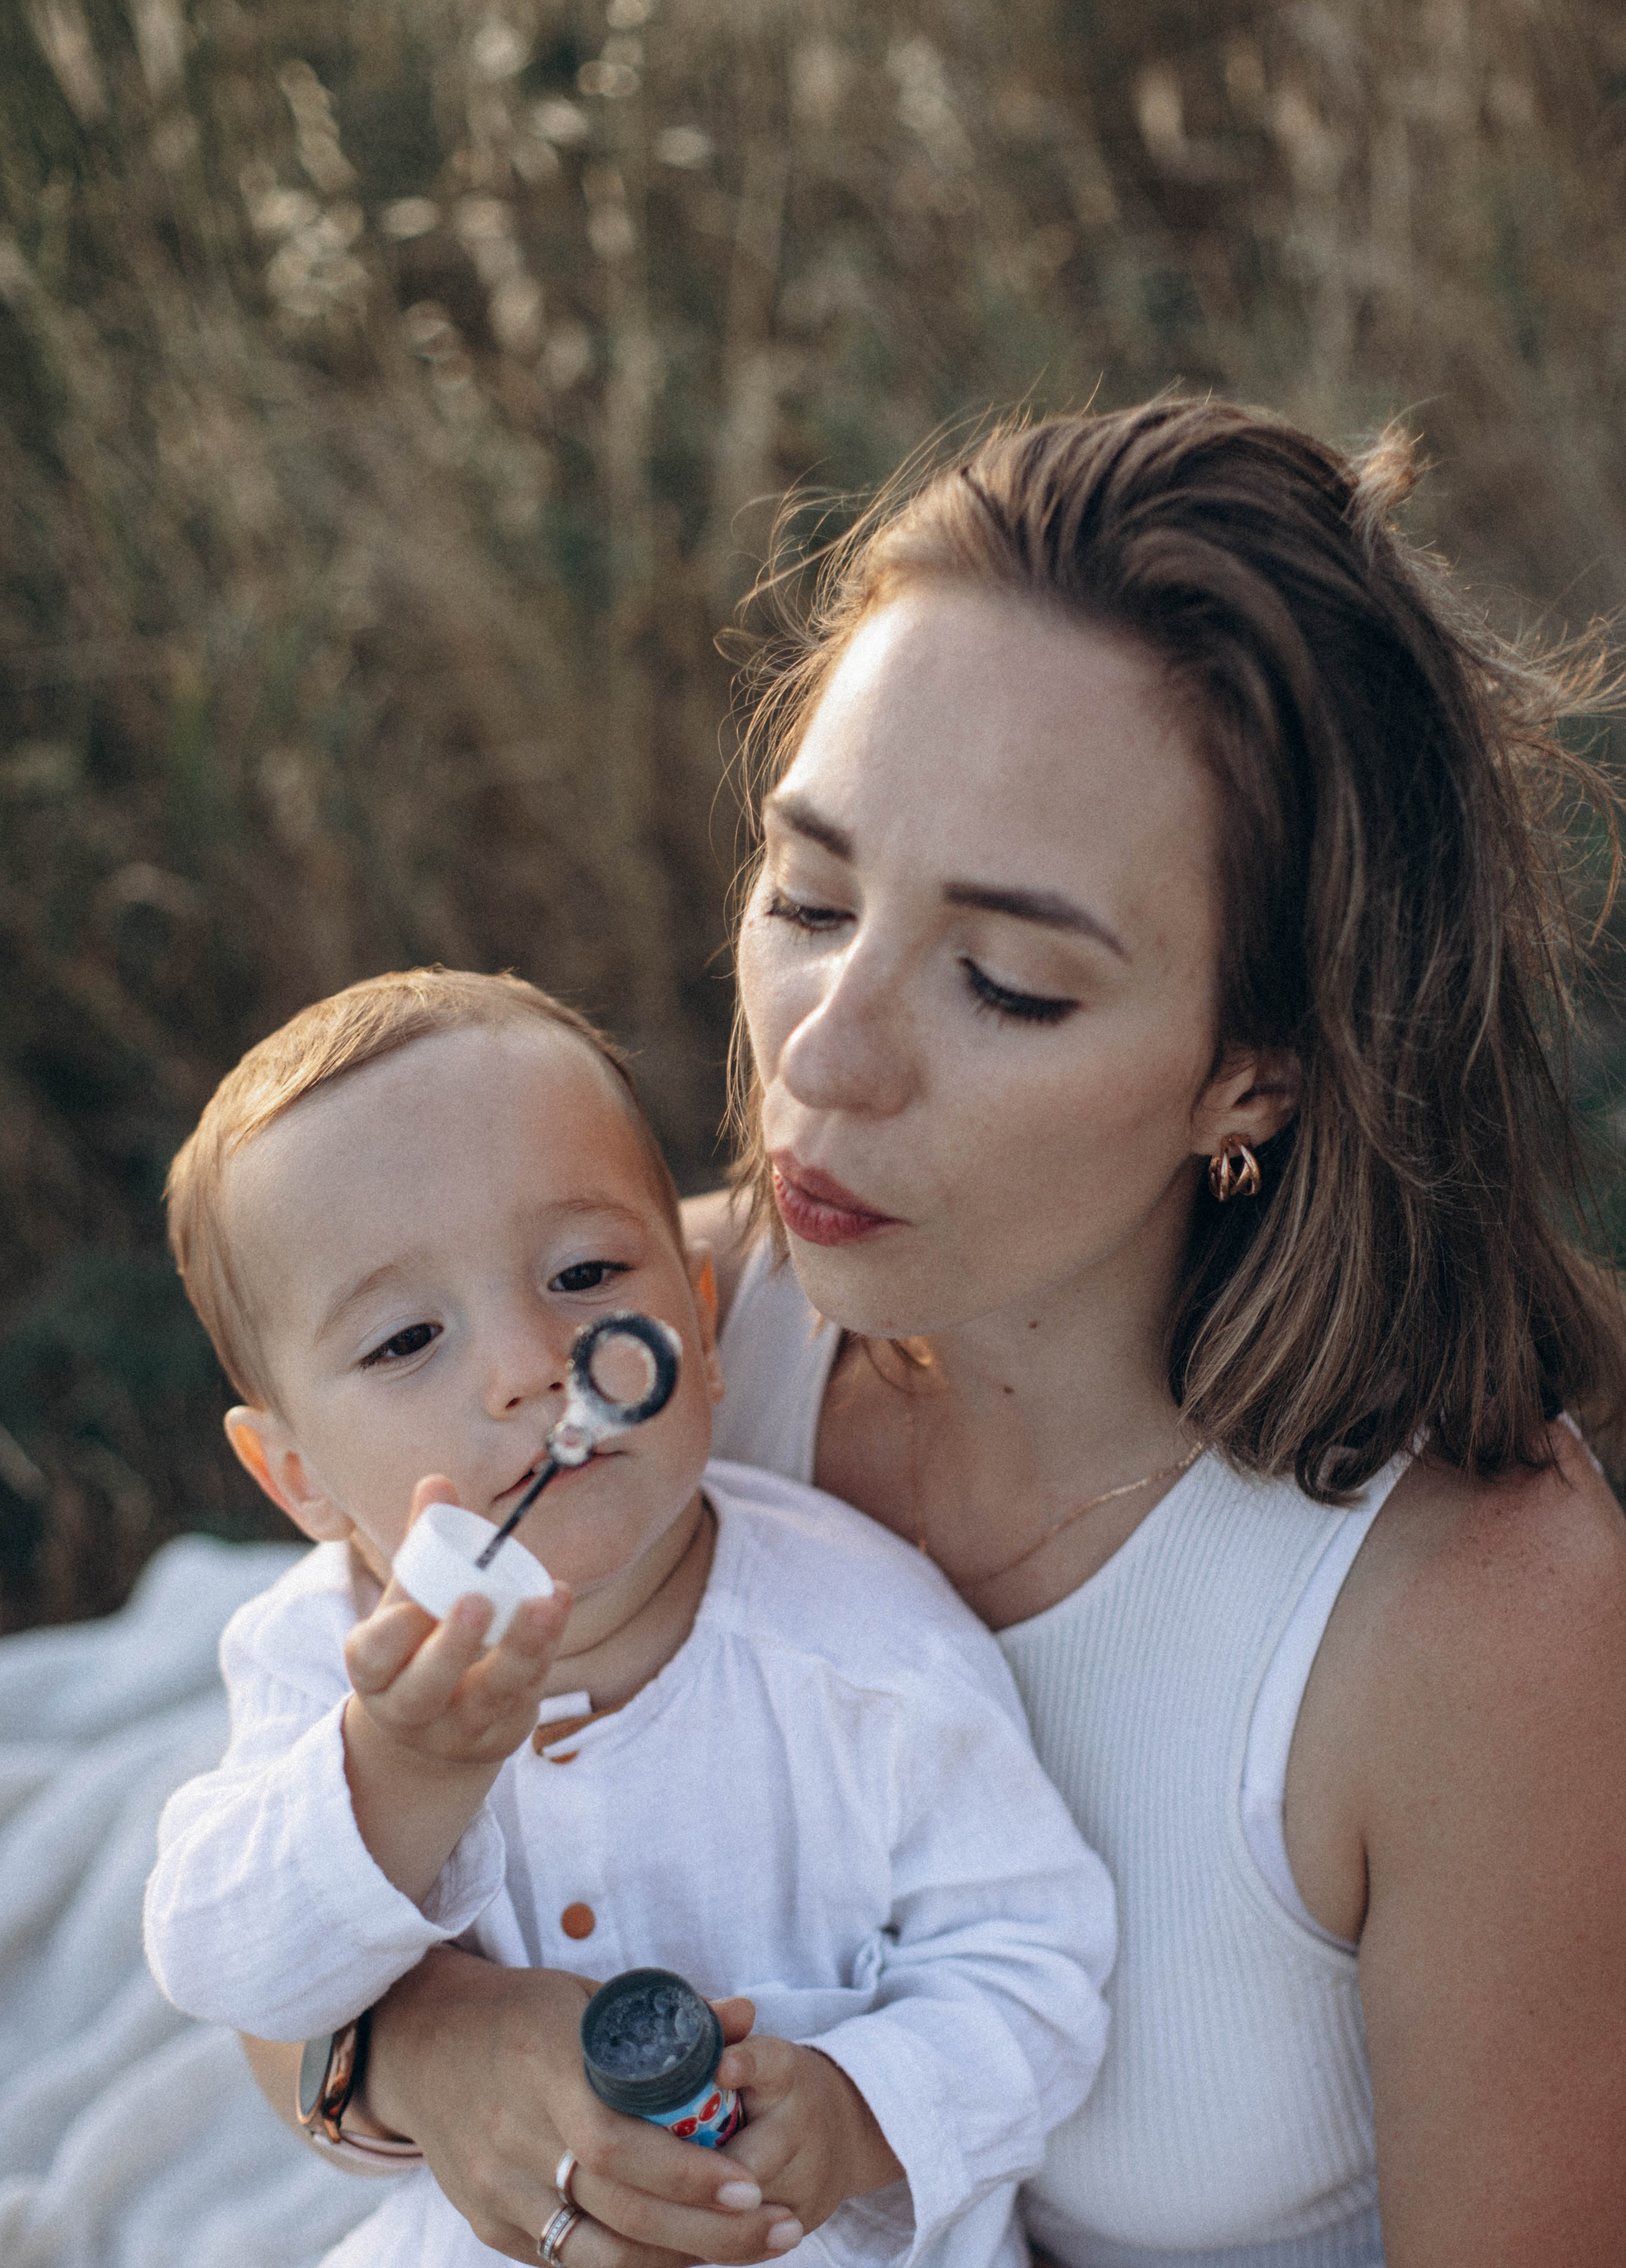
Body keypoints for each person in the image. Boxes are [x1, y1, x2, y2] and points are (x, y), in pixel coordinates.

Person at [243, 401, 1626, 2268]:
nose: (824, 1054)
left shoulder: (1477, 1621)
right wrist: (439, 2046)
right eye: (809, 898)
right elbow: (266, 1914)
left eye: (1005, 983)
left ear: (1256, 1071)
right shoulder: (636, 1356)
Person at [144, 969, 1116, 2268]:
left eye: (584, 1273)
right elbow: (222, 1961)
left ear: (698, 1332)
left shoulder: (868, 1650)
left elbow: (1037, 1970)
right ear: (295, 1478)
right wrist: (397, 1777)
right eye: (405, 1340)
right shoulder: (323, 1657)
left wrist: (862, 2110)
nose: (525, 1367)